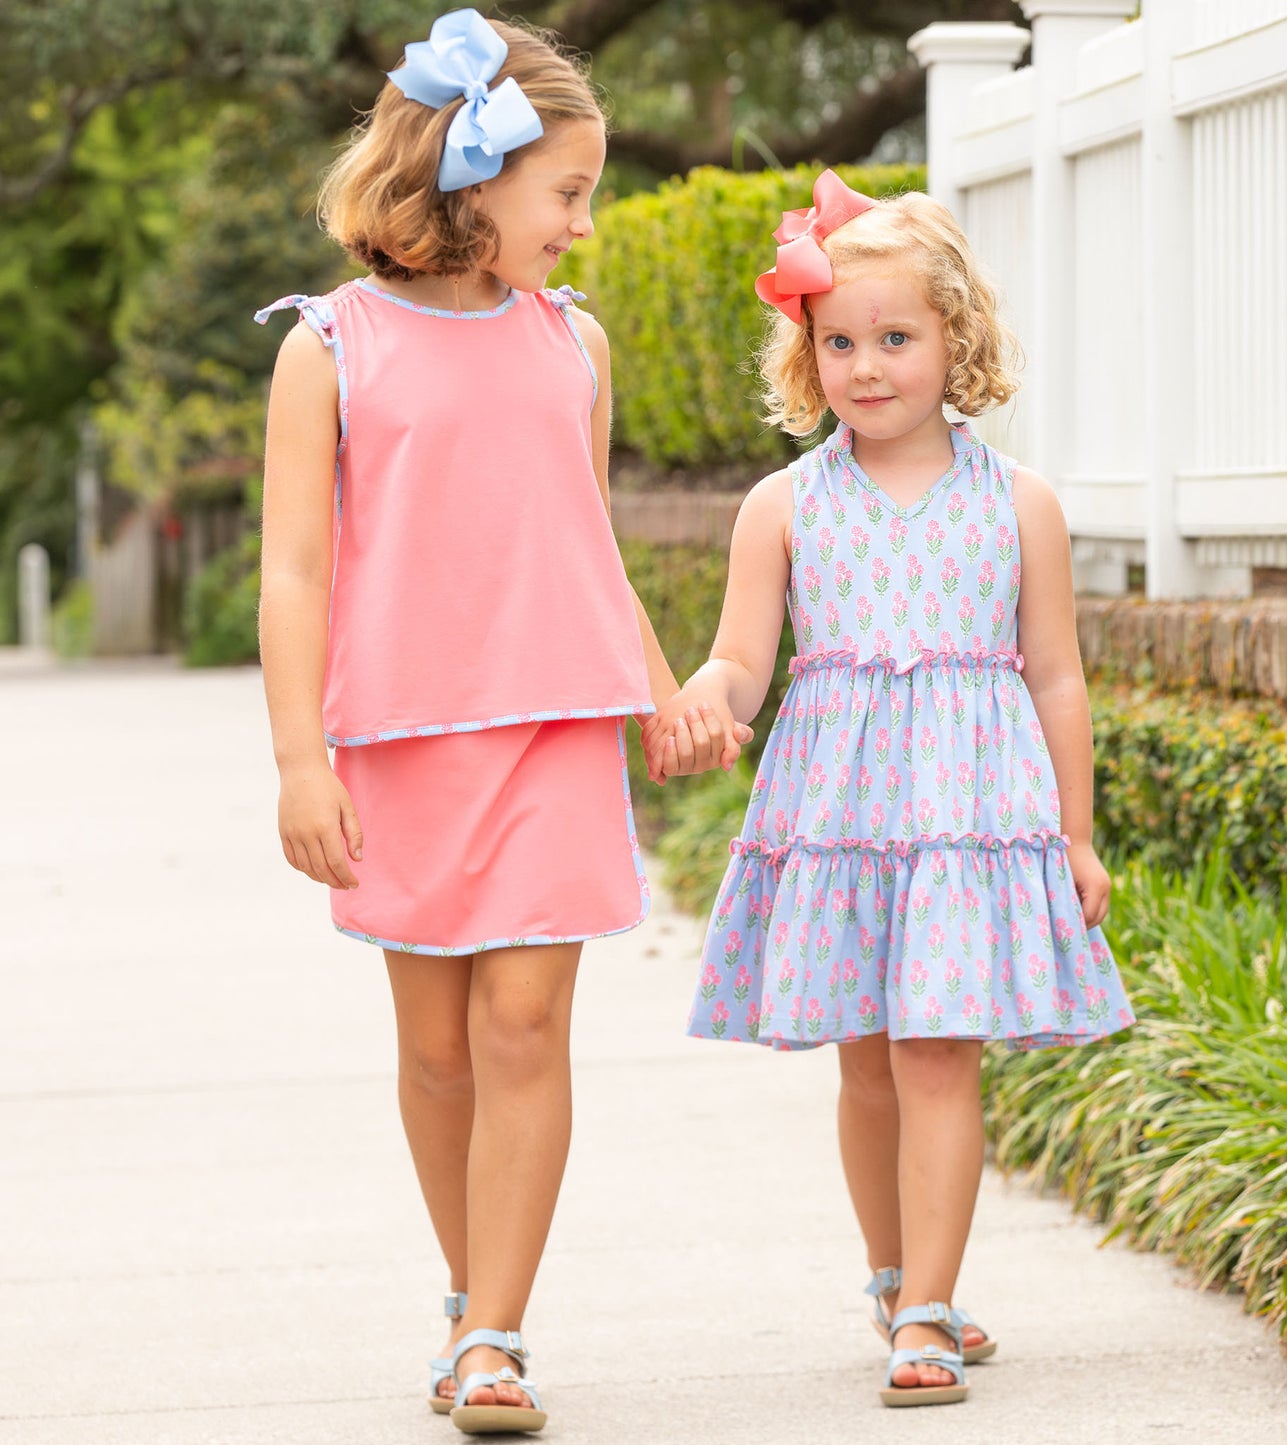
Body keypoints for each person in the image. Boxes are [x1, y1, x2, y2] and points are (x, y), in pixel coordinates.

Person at [255, 11, 742, 1434]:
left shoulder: (572, 342)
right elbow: (290, 568)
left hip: (550, 731)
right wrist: (298, 759)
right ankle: (466, 1294)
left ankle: (495, 1336)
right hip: (400, 738)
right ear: (475, 179)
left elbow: (580, 534)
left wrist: (658, 692)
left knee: (524, 1021)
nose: (584, 226)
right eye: (569, 194)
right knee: (436, 1049)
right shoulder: (327, 348)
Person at [643, 170, 1136, 1409]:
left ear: (953, 341)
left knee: (934, 1056)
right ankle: (891, 1270)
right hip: (843, 821)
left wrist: (1073, 835)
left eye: (896, 337)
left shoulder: (1019, 504)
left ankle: (926, 1303)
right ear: (809, 353)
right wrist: (708, 696)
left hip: (972, 824)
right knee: (864, 1064)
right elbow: (745, 655)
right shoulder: (784, 505)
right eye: (839, 340)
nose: (866, 366)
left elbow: (1058, 681)